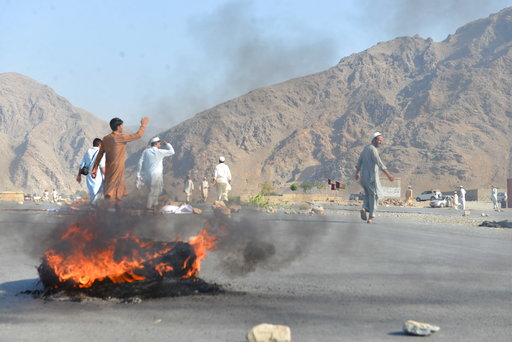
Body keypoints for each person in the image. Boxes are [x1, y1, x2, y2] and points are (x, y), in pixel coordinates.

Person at [91, 116, 149, 211]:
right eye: (121, 126)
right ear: (118, 127)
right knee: (112, 194)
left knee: (117, 194)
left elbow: (100, 154)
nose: (122, 127)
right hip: (117, 169)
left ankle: (116, 214)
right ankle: (102, 210)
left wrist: (95, 168)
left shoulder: (106, 139)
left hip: (109, 169)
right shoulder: (120, 137)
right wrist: (143, 124)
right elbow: (138, 135)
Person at [354, 132, 394, 224]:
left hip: (363, 177)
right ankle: (371, 217)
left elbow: (359, 161)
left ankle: (364, 208)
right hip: (371, 177)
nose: (380, 142)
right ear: (374, 140)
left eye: (381, 141)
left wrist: (357, 173)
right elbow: (379, 163)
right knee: (374, 196)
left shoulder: (365, 149)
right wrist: (389, 174)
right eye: (379, 140)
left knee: (367, 195)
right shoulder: (373, 150)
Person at [136, 136, 175, 213]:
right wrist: (167, 144)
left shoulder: (146, 151)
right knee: (154, 191)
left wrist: (138, 174)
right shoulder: (160, 152)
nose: (160, 144)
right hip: (156, 175)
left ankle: (154, 206)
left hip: (147, 175)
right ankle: (148, 208)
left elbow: (140, 163)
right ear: (156, 143)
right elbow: (172, 152)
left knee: (153, 191)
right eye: (159, 143)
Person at [76, 138, 106, 205]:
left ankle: (93, 210)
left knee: (93, 195)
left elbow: (81, 165)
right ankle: (95, 210)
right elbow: (103, 167)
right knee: (98, 196)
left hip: (89, 178)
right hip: (98, 178)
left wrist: (79, 176)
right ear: (100, 145)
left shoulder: (87, 152)